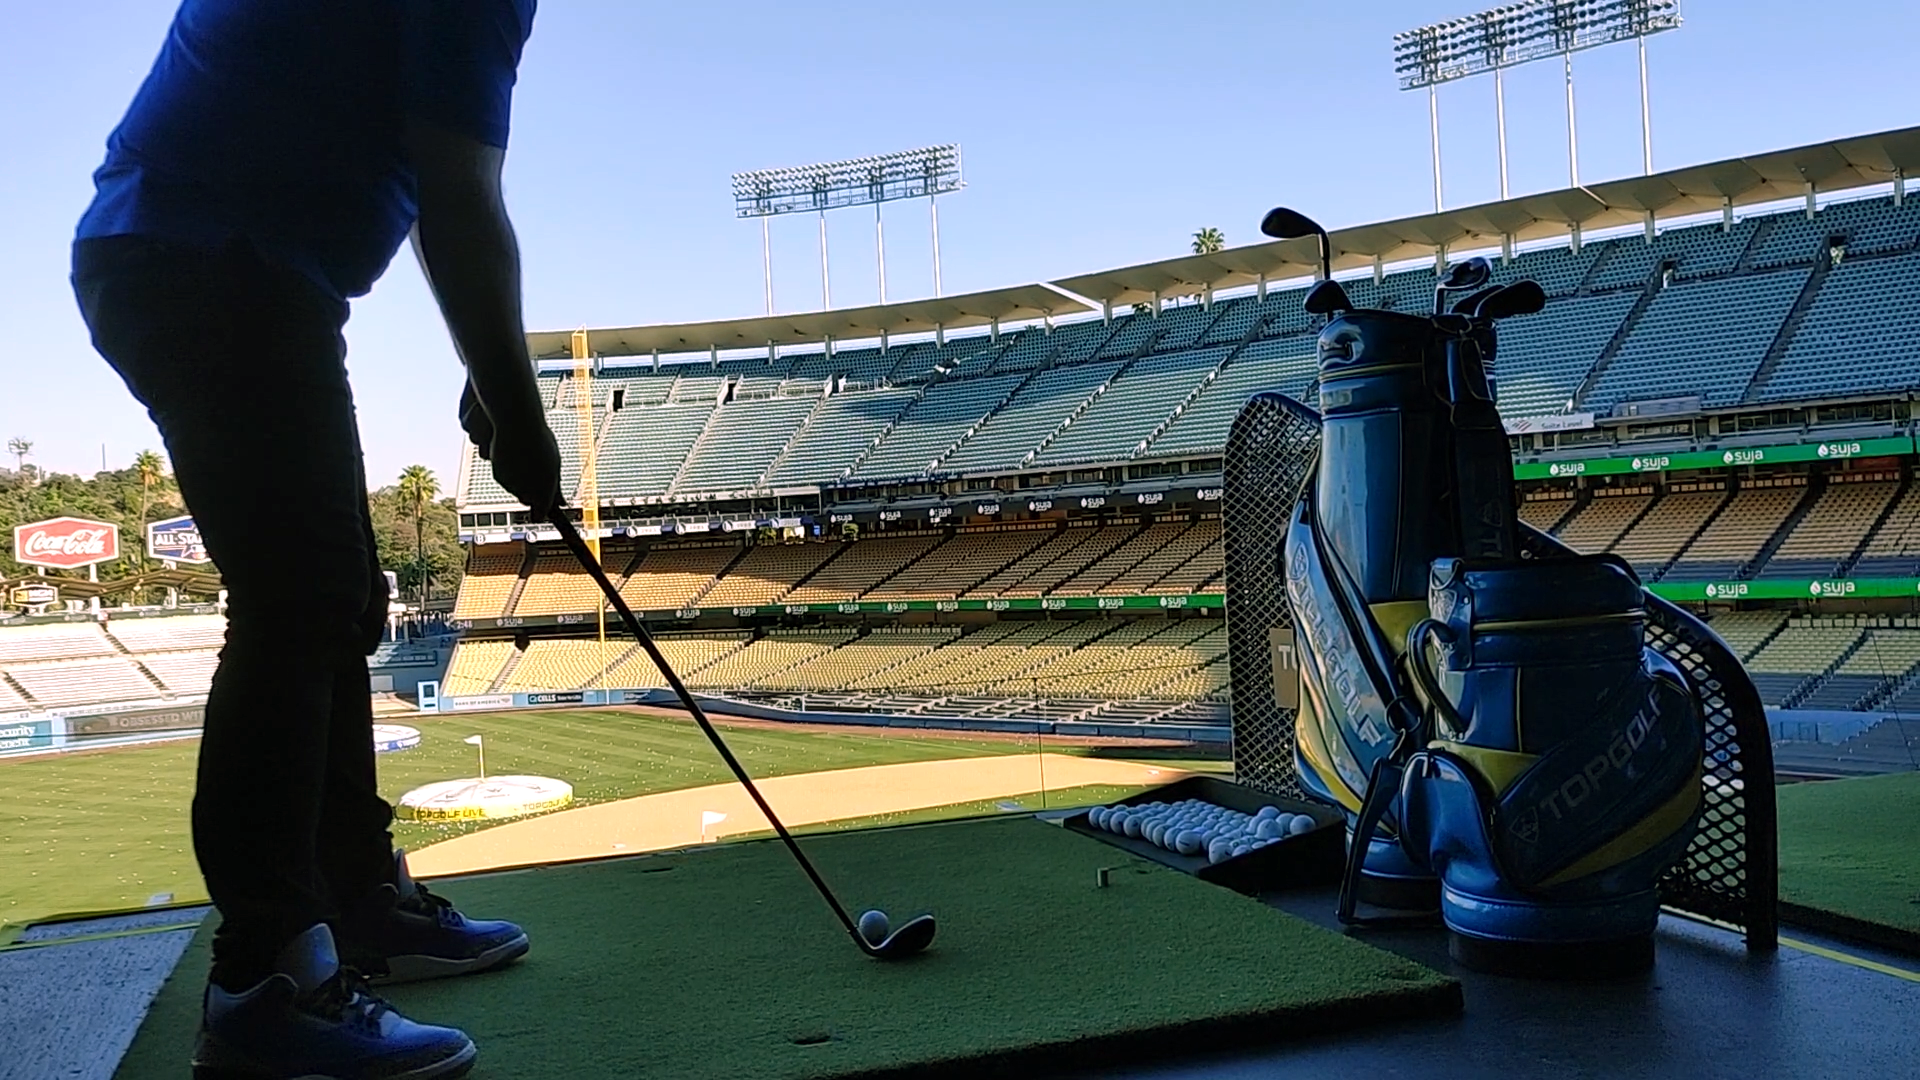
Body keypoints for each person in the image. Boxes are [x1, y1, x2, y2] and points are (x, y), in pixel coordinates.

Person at [70, 2, 561, 1077]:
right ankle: (268, 983)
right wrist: (521, 421)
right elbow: (459, 193)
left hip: (222, 261)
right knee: (301, 601)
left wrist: (496, 378)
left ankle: (355, 905)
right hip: (211, 258)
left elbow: (442, 191)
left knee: (339, 597)